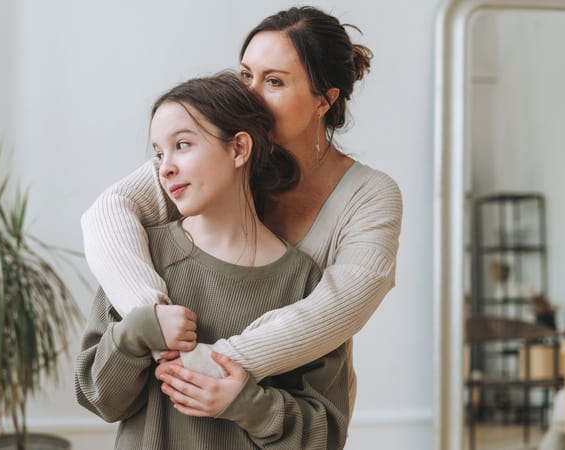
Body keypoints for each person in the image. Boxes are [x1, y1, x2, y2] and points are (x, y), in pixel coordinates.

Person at [80, 5, 402, 417]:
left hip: (279, 412)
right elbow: (107, 213)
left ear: (325, 100)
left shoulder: (371, 196)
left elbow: (336, 311)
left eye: (274, 82)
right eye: (246, 74)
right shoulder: (220, 158)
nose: (250, 94)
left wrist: (218, 365)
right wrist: (151, 314)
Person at [75, 72, 350, 449]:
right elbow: (99, 398)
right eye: (159, 153)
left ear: (238, 149)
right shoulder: (140, 260)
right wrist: (137, 330)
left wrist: (247, 405)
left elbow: (326, 434)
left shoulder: (303, 282)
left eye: (182, 145)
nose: (164, 168)